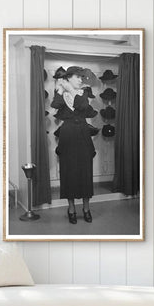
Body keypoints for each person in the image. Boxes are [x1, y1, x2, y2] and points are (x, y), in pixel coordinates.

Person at [51, 66, 96, 224]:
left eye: (81, 77)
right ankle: (71, 208)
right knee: (68, 172)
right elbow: (55, 105)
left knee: (85, 172)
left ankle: (86, 208)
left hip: (83, 134)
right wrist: (60, 89)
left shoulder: (85, 91)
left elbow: (82, 106)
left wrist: (70, 88)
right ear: (68, 77)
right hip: (68, 134)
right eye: (77, 77)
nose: (80, 80)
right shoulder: (62, 92)